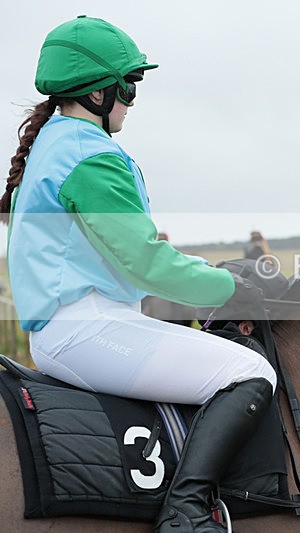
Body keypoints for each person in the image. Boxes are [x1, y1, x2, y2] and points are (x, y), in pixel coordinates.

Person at [1, 16, 276, 533]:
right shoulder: (89, 155)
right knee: (251, 372)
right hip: (89, 331)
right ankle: (187, 513)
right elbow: (147, 262)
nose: (132, 97)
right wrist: (233, 289)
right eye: (130, 84)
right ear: (100, 91)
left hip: (75, 327)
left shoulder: (55, 144)